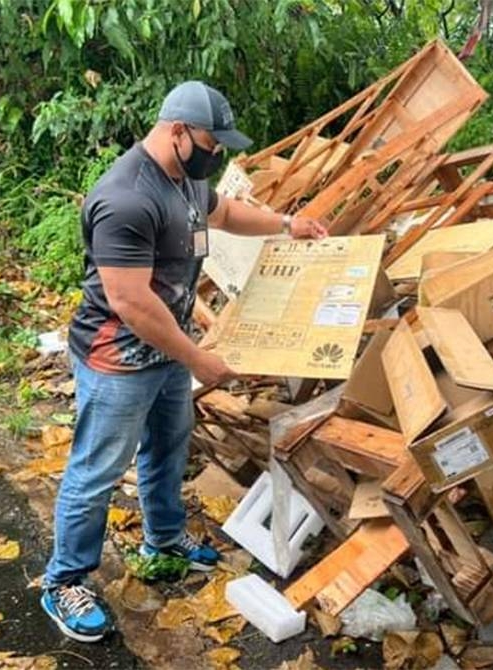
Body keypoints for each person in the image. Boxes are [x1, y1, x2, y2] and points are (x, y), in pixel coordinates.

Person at [40, 81, 328, 643]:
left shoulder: (186, 181)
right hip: (117, 360)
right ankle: (65, 580)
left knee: (168, 449)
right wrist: (200, 358)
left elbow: (226, 214)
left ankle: (164, 540)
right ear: (177, 132)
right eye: (210, 141)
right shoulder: (125, 196)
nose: (216, 152)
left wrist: (288, 224)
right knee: (97, 470)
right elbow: (128, 300)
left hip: (166, 350)